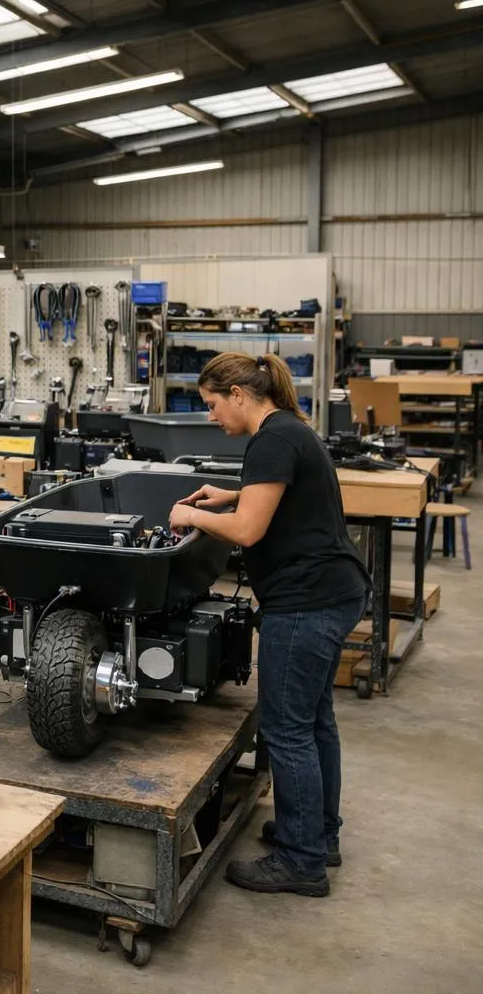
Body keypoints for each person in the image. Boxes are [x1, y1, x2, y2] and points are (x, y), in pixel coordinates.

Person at [168, 352, 368, 898]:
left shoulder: (272, 439)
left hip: (306, 604)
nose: (211, 417)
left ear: (238, 394)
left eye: (212, 405)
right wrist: (229, 494)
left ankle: (301, 861)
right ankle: (318, 834)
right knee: (315, 720)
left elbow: (250, 530)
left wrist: (192, 515)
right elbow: (276, 498)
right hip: (335, 592)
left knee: (286, 729)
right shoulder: (289, 430)